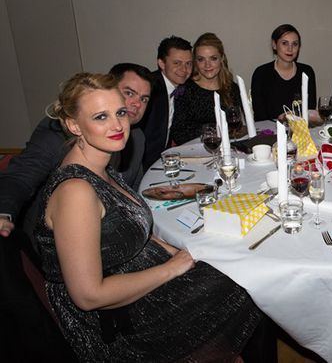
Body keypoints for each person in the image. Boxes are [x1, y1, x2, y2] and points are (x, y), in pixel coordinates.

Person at [34, 73, 274, 362]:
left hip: (139, 289)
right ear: (74, 125)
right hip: (118, 326)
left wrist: (184, 254)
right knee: (248, 283)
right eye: (101, 117)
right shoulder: (76, 191)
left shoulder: (103, 170)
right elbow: (89, 296)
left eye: (120, 112)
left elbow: (131, 233)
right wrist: (172, 268)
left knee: (236, 264)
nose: (117, 125)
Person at [0, 64, 152, 362]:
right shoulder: (59, 143)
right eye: (129, 93)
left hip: (115, 254)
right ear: (74, 125)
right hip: (68, 260)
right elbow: (20, 175)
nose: (134, 105)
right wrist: (3, 212)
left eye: (143, 99)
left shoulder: (130, 138)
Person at [169, 32, 243, 145]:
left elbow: (237, 126)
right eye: (201, 59)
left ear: (222, 58)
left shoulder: (232, 88)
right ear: (195, 61)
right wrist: (213, 131)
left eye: (213, 58)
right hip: (194, 149)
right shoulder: (185, 90)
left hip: (228, 148)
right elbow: (179, 133)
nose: (207, 65)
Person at [141, 35, 193, 170]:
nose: (184, 69)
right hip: (143, 167)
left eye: (188, 63)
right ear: (162, 64)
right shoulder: (150, 89)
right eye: (177, 63)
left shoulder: (181, 88)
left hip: (163, 160)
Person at [251, 24, 317, 121]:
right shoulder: (261, 74)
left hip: (300, 128)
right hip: (270, 129)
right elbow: (259, 114)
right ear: (274, 45)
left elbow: (310, 108)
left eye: (295, 44)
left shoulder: (307, 72)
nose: (290, 49)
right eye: (285, 43)